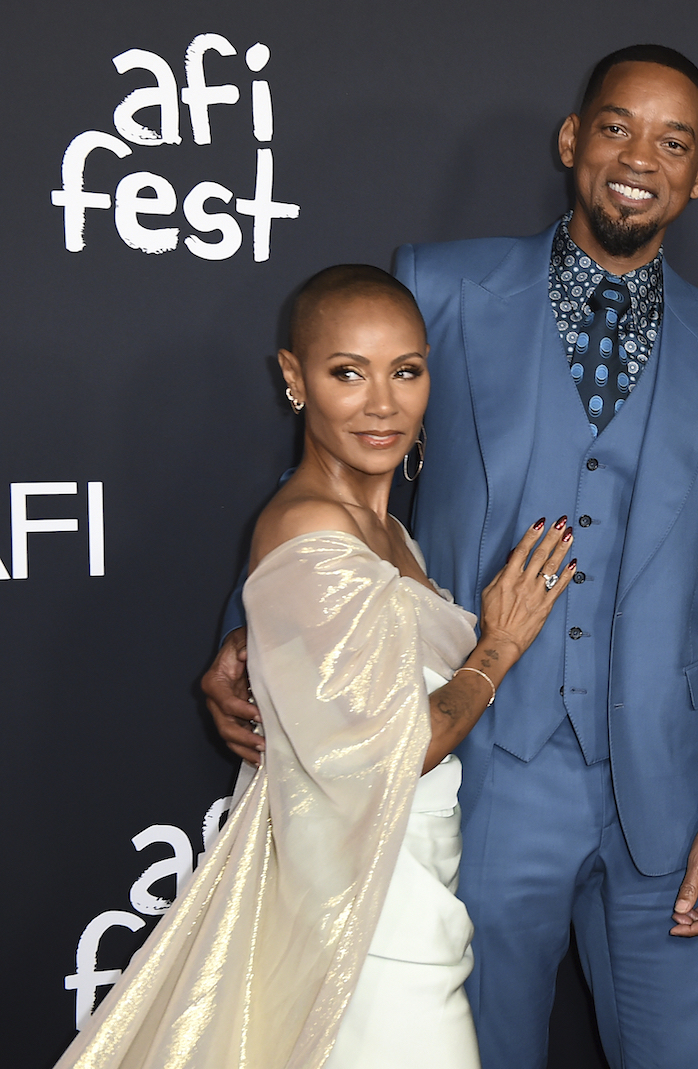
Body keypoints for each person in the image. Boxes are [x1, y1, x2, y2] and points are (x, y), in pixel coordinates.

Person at [202, 46, 698, 1069]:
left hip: (670, 789)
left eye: (672, 140)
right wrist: (255, 633)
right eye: (615, 126)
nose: (638, 157)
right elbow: (341, 466)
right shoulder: (445, 285)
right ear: (572, 140)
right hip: (485, 770)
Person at [57, 265, 575, 1068]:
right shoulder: (310, 532)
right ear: (295, 379)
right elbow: (400, 748)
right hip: (362, 910)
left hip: (405, 885)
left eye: (406, 371)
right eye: (347, 373)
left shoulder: (391, 536)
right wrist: (498, 647)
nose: (382, 403)